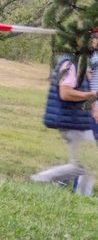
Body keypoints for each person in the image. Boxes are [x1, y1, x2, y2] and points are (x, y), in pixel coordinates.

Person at [32, 35, 98, 196]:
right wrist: (92, 94)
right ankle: (41, 179)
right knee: (85, 164)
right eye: (93, 39)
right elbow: (66, 93)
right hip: (71, 121)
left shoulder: (80, 63)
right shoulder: (70, 64)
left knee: (89, 164)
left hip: (78, 120)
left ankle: (83, 197)